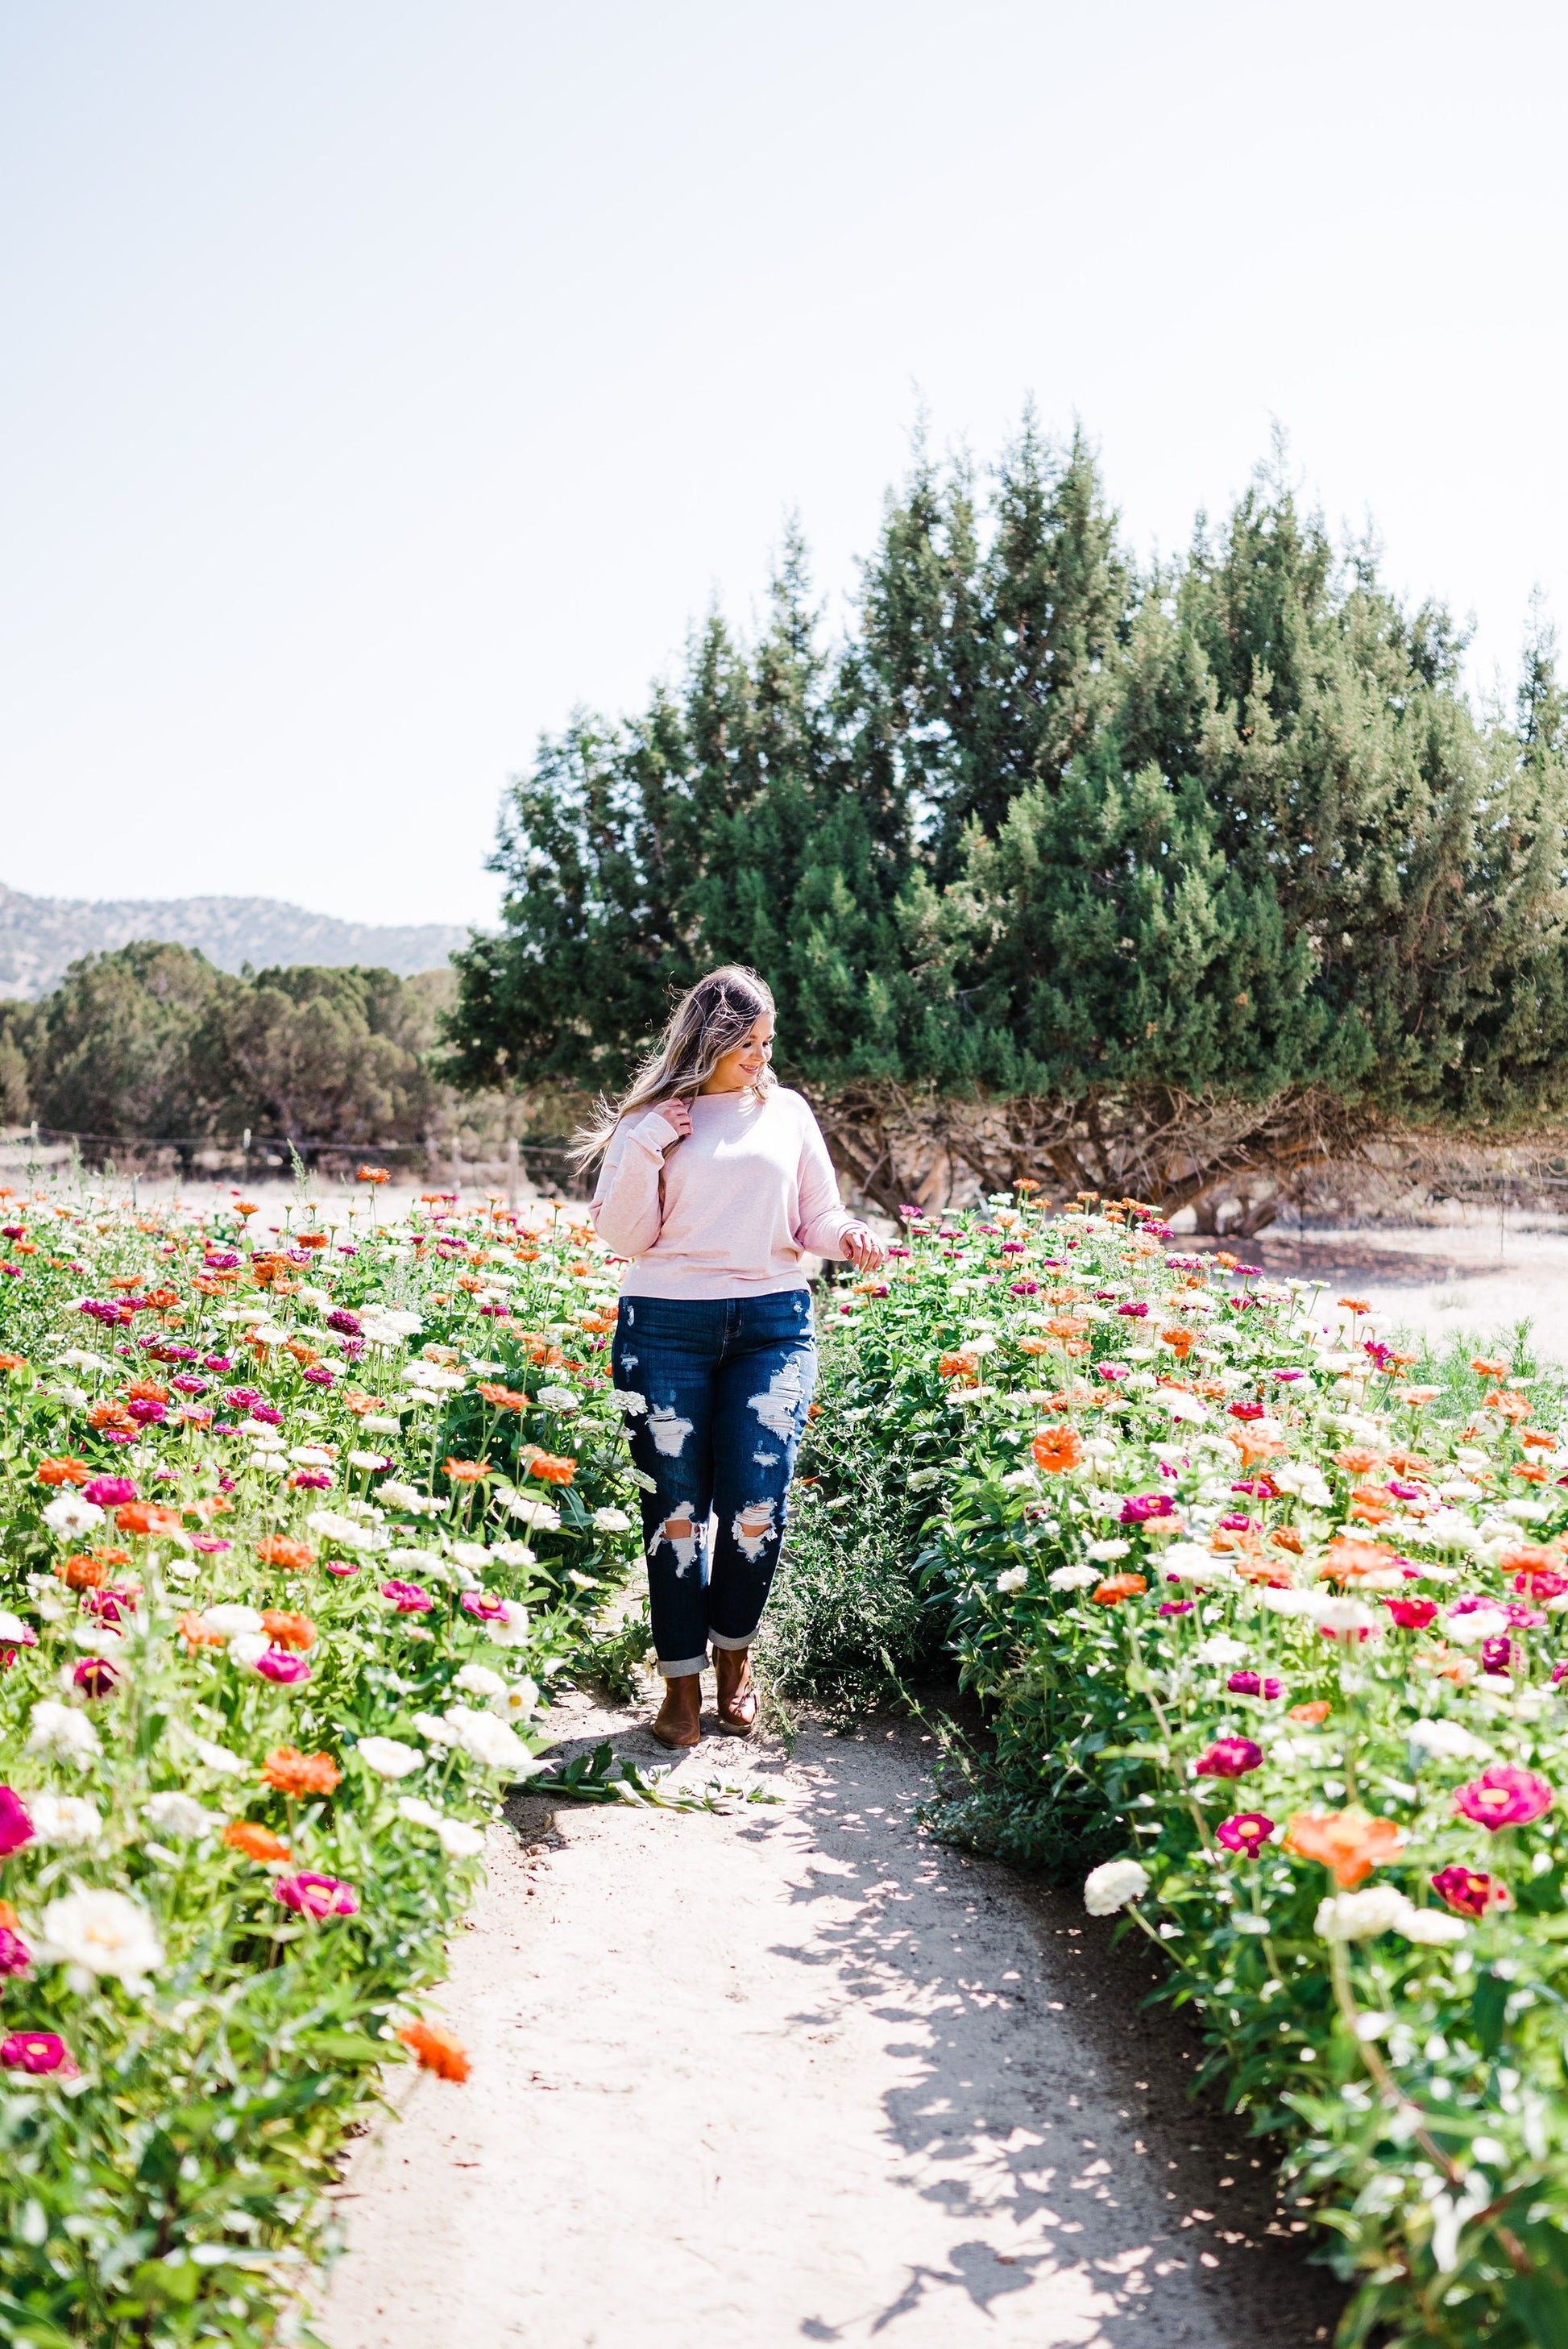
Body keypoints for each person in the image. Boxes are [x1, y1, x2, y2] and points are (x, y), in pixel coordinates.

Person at [577, 965, 886, 1747]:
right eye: (747, 1041)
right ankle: (680, 1686)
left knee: (756, 1509)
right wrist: (647, 1142)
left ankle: (733, 1664)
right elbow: (623, 1238)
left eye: (766, 1040)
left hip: (772, 1326)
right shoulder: (650, 1118)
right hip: (665, 1330)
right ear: (710, 1038)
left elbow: (815, 1212)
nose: (760, 1055)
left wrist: (845, 1237)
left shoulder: (784, 1111)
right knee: (675, 1516)